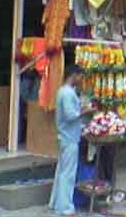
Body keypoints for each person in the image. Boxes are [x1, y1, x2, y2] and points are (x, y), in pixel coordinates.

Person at [49, 65, 96, 216]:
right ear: (74, 75)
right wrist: (85, 110)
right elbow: (70, 115)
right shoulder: (68, 93)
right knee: (68, 174)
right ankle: (65, 208)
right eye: (81, 77)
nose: (81, 80)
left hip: (64, 136)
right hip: (69, 138)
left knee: (61, 172)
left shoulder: (62, 91)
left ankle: (56, 203)